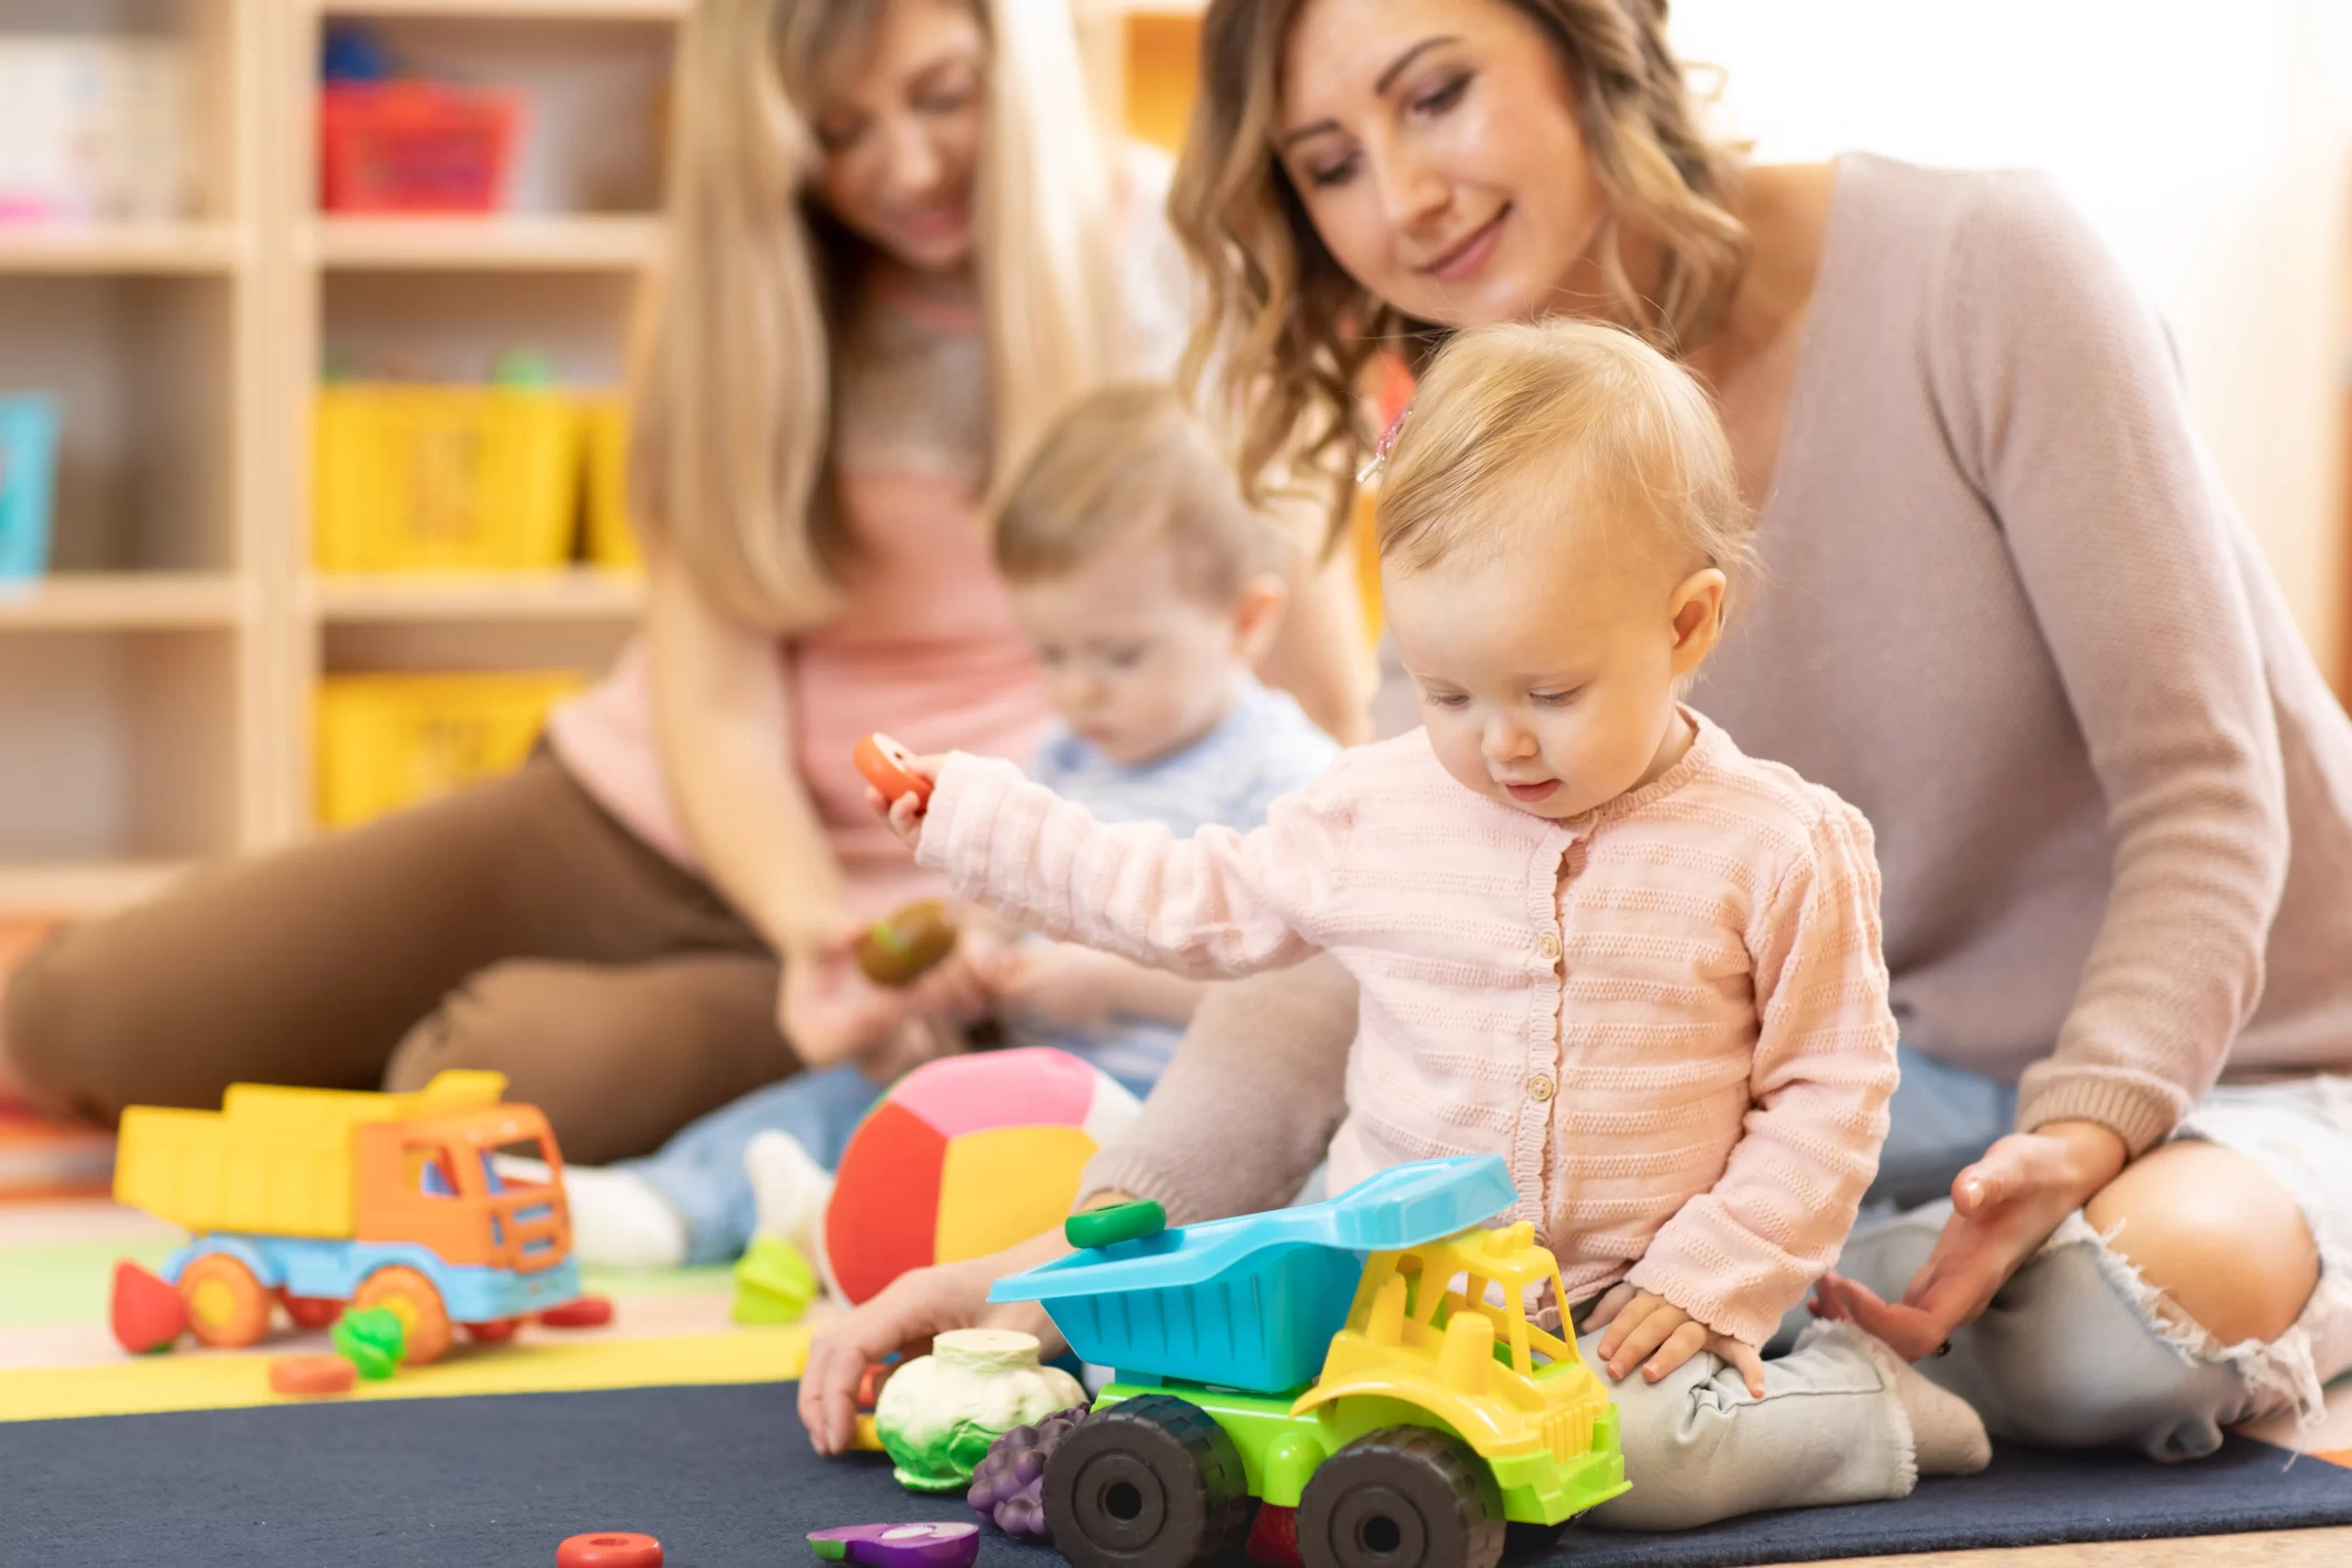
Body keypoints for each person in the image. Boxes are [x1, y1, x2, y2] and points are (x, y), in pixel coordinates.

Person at [805, 0, 2351, 1486]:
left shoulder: (1980, 265)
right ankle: (1754, 1360)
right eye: (1328, 162)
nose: (1402, 197)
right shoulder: (1481, 481)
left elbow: (2208, 796)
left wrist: (2084, 1129)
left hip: (2229, 1066)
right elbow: (1333, 959)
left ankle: (1764, 1371)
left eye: (1434, 93)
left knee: (2118, 1315)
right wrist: (1081, 1273)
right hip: (1846, 1125)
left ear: (1586, 33)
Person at [0, 0, 1370, 1166]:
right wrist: (801, 924)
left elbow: (1298, 642)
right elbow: (712, 705)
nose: (902, 163)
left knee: (476, 1080)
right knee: (77, 1019)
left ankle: (687, 1048)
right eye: (835, 131)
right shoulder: (717, 292)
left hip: (958, 899)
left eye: (942, 96)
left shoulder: (1176, 255)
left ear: (1012, 64)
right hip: (660, 822)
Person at [867, 321, 1994, 1530]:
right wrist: (976, 818)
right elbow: (1186, 899)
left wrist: (1714, 1273)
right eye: (1448, 689)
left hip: (1641, 1301)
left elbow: (1830, 1087)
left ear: (1686, 624)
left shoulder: (1779, 843)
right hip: (1395, 1298)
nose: (1499, 740)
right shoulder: (1376, 808)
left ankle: (1862, 1398)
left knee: (1633, 1460)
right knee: (1196, 1391)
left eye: (1549, 692)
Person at [559, 382, 1341, 1269]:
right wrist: (976, 957)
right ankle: (672, 1201)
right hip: (1030, 1073)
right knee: (864, 1095)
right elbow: (1007, 901)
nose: (1080, 686)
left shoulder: (1285, 775)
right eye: (1049, 653)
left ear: (1246, 621)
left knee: (1075, 1196)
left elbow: (1308, 991)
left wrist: (1111, 984)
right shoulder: (1067, 755)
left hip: (1183, 1107)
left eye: (1120, 655)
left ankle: (841, 1228)